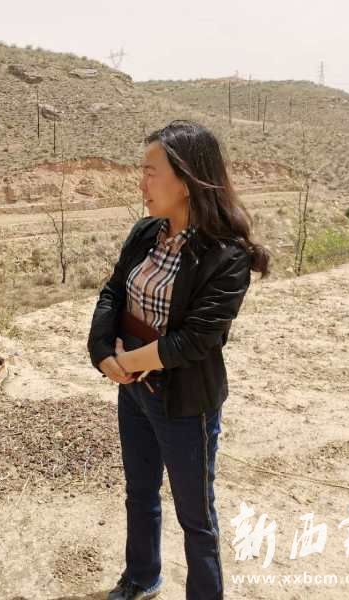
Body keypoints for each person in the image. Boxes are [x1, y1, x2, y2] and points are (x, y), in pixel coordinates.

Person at [87, 120, 270, 600]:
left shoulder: (226, 256)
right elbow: (113, 291)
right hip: (134, 390)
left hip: (186, 402)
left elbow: (196, 339)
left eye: (151, 172)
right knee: (140, 493)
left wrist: (130, 361)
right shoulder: (145, 232)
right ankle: (141, 577)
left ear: (186, 181)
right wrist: (102, 352)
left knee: (197, 518)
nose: (141, 183)